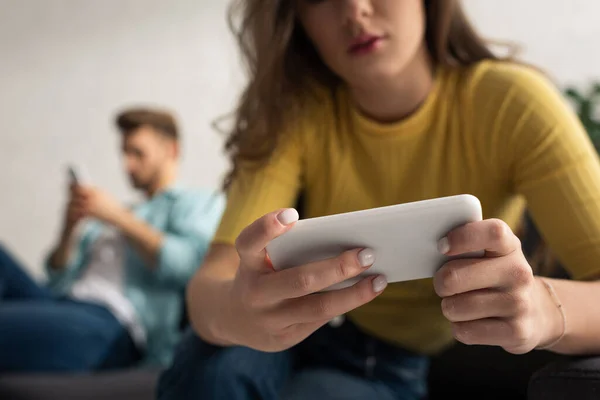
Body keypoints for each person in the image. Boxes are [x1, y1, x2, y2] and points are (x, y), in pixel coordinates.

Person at [157, 1, 600, 399]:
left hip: (386, 360)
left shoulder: (512, 104)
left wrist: (542, 308)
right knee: (217, 367)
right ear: (295, 18)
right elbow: (208, 287)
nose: (354, 11)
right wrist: (235, 312)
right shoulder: (292, 114)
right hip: (280, 334)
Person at [0, 107, 224, 372]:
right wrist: (69, 227)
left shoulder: (198, 203)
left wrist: (118, 217)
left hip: (112, 322)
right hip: (62, 302)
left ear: (171, 151)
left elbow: (188, 267)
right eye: (124, 153)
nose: (127, 165)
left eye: (138, 153)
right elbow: (57, 278)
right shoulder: (115, 214)